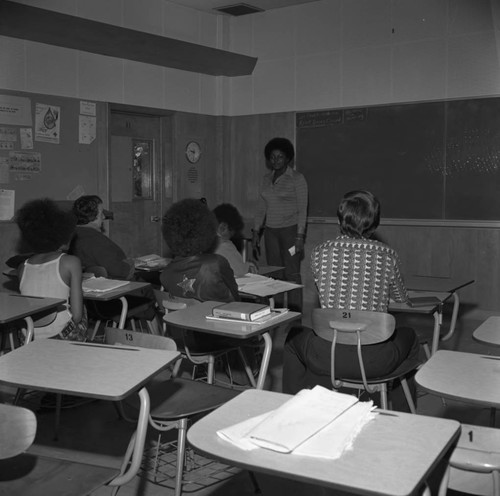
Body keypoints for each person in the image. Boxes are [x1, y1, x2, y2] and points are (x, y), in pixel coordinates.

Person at [282, 190, 420, 410]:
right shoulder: (388, 255)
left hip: (328, 354)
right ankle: (403, 413)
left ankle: (291, 408)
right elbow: (401, 300)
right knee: (411, 337)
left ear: (339, 220)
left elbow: (330, 298)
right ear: (375, 225)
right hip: (375, 361)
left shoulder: (319, 253)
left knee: (292, 339)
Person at [15, 198, 87, 340]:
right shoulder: (71, 262)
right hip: (61, 334)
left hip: (28, 335)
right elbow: (77, 316)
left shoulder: (22, 267)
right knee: (83, 309)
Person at [252, 137, 308, 311]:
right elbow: (261, 208)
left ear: (288, 158)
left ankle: (295, 314)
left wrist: (300, 237)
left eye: (280, 157)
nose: (276, 160)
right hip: (270, 233)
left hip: (291, 232)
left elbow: (302, 210)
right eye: (273, 157)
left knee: (291, 274)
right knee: (274, 275)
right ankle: (276, 312)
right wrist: (255, 232)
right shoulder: (266, 179)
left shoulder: (297, 178)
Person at [70, 195, 135, 280]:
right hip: (113, 285)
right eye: (101, 213)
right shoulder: (94, 239)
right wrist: (131, 263)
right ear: (93, 216)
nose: (104, 217)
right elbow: (119, 271)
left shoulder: (72, 235)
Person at [213, 203, 258, 277]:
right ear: (223, 228)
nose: (230, 237)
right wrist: (249, 266)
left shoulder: (203, 242)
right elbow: (240, 271)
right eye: (231, 233)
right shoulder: (224, 246)